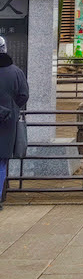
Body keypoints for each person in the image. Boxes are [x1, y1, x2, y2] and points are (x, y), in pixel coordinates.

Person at [0, 35, 28, 207]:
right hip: (7, 123)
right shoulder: (16, 72)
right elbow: (23, 95)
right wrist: (12, 108)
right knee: (1, 162)